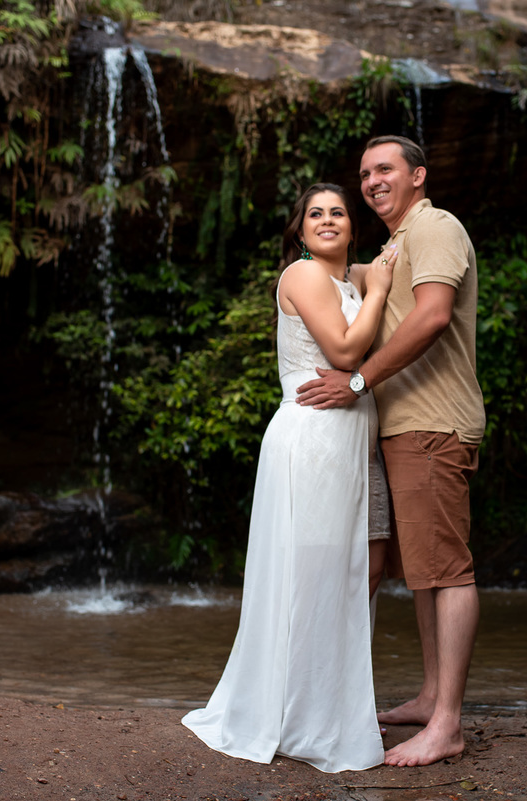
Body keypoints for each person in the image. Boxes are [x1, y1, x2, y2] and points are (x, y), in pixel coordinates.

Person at [181, 184, 398, 773]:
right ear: (299, 230)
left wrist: (377, 271)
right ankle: (300, 712)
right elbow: (345, 353)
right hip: (316, 439)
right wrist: (379, 290)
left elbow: (381, 264)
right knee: (319, 572)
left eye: (338, 213)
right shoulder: (303, 276)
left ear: (352, 226)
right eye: (315, 214)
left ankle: (332, 700)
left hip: (358, 441)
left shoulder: (350, 279)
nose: (327, 220)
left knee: (369, 565)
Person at [296, 136, 485, 768]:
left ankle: (448, 724)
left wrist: (357, 381)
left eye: (386, 169)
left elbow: (433, 316)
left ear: (418, 175)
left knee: (447, 570)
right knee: (424, 571)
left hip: (432, 424)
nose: (373, 181)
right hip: (404, 428)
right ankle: (432, 697)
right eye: (365, 174)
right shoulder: (393, 245)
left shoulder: (435, 227)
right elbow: (337, 281)